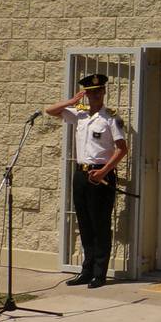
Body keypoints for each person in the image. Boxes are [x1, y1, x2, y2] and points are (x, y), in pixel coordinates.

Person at [44, 73, 128, 288]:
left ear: (103, 92)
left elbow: (121, 149)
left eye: (98, 91)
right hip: (81, 174)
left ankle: (99, 274)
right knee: (85, 224)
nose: (94, 96)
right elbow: (50, 110)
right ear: (86, 94)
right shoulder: (79, 114)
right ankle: (86, 270)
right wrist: (72, 101)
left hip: (101, 174)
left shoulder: (111, 117)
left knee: (100, 224)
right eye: (90, 92)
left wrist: (104, 171)